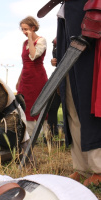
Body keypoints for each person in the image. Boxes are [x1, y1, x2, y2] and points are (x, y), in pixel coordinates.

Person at [54, 0, 101, 186]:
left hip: (91, 46)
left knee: (89, 104)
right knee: (72, 105)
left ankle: (98, 168)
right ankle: (81, 167)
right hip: (71, 46)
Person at [16, 16, 48, 137]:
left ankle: (41, 135)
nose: (24, 32)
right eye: (22, 30)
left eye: (26, 29)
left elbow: (34, 56)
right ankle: (25, 133)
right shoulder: (24, 43)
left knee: (37, 102)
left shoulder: (41, 40)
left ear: (33, 28)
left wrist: (30, 38)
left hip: (37, 77)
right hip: (26, 77)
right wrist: (19, 79)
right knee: (23, 103)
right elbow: (24, 62)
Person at [47, 38, 62, 138]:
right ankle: (52, 133)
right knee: (52, 106)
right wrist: (54, 61)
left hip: (75, 75)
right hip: (59, 76)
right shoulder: (56, 40)